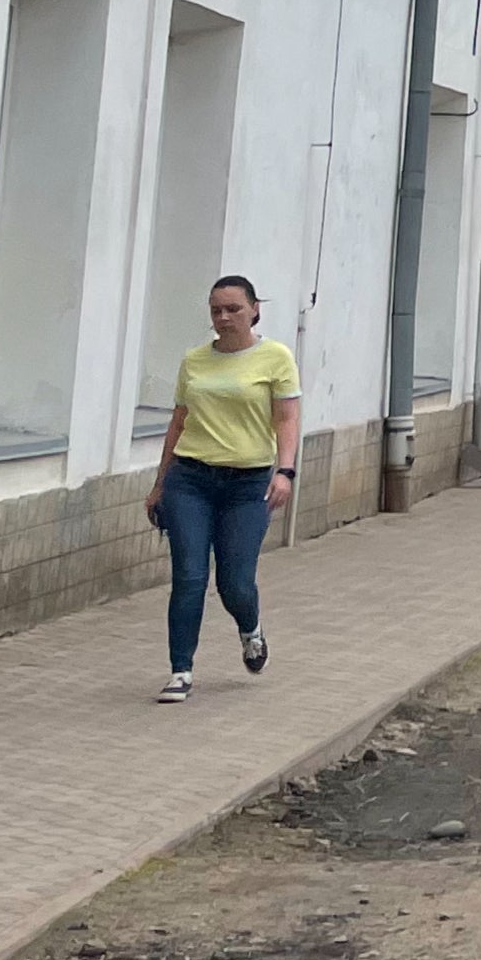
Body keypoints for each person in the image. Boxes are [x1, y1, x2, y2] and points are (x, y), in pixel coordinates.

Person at [143, 273, 300, 705]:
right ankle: (180, 670)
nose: (224, 317)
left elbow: (286, 419)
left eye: (233, 308)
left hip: (247, 484)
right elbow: (179, 422)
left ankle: (251, 630)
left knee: (234, 582)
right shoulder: (195, 360)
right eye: (216, 309)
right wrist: (160, 483)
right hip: (190, 479)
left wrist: (285, 472)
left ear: (254, 310)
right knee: (189, 576)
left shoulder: (275, 358)